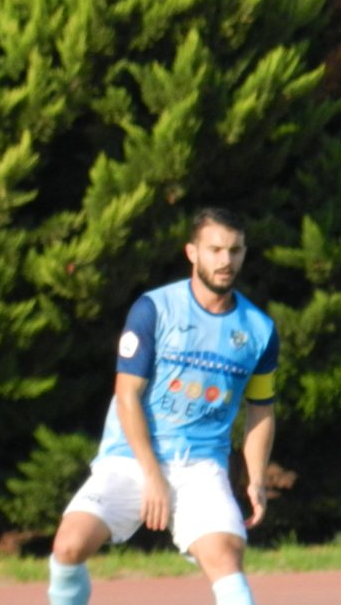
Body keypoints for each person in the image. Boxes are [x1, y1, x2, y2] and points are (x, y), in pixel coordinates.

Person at [47, 207, 278, 605]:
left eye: (235, 250)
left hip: (201, 467)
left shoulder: (259, 330)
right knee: (68, 547)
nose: (226, 261)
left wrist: (255, 477)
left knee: (225, 560)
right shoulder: (153, 309)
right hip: (130, 457)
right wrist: (153, 476)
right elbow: (127, 395)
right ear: (192, 252)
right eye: (215, 249)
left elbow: (260, 408)